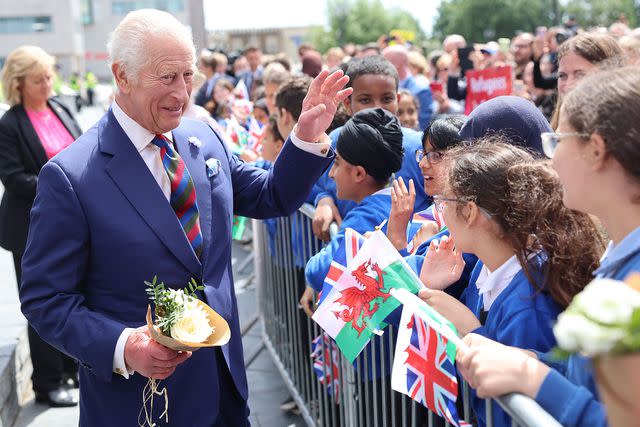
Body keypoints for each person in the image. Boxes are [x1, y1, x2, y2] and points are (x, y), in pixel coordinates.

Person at [18, 9, 351, 426]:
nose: (182, 93)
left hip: (225, 387)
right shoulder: (71, 176)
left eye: (188, 75)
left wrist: (305, 136)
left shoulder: (203, 139)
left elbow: (271, 196)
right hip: (143, 402)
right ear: (122, 76)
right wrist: (125, 347)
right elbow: (45, 299)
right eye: (167, 77)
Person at [456, 65, 640, 427]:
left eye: (558, 141)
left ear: (596, 150)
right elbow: (593, 380)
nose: (550, 159)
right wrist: (534, 361)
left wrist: (534, 379)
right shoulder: (618, 254)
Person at [419, 141, 603, 427]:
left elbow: (512, 414)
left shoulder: (528, 305)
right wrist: (436, 288)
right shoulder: (487, 268)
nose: (440, 213)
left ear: (469, 212)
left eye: (444, 202)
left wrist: (471, 329)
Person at [0, 45, 82, 407]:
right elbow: (14, 177)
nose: (48, 84)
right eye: (38, 79)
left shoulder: (61, 108)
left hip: (71, 225)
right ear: (18, 84)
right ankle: (47, 382)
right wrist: (63, 185)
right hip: (31, 229)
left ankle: (73, 367)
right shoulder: (9, 124)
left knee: (77, 295)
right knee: (40, 304)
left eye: (49, 76)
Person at [311, 55, 429, 241]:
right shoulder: (334, 142)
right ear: (348, 104)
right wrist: (323, 200)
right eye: (365, 100)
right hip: (348, 261)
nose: (377, 108)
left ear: (398, 100)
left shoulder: (420, 147)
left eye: (387, 98)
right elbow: (313, 182)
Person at [305, 108, 403, 291]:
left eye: (337, 163)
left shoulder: (365, 217)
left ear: (359, 173)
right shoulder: (394, 202)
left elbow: (317, 273)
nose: (332, 174)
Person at [383, 44, 433, 130]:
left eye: (384, 62)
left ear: (397, 64)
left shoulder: (421, 90)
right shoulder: (384, 88)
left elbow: (424, 127)